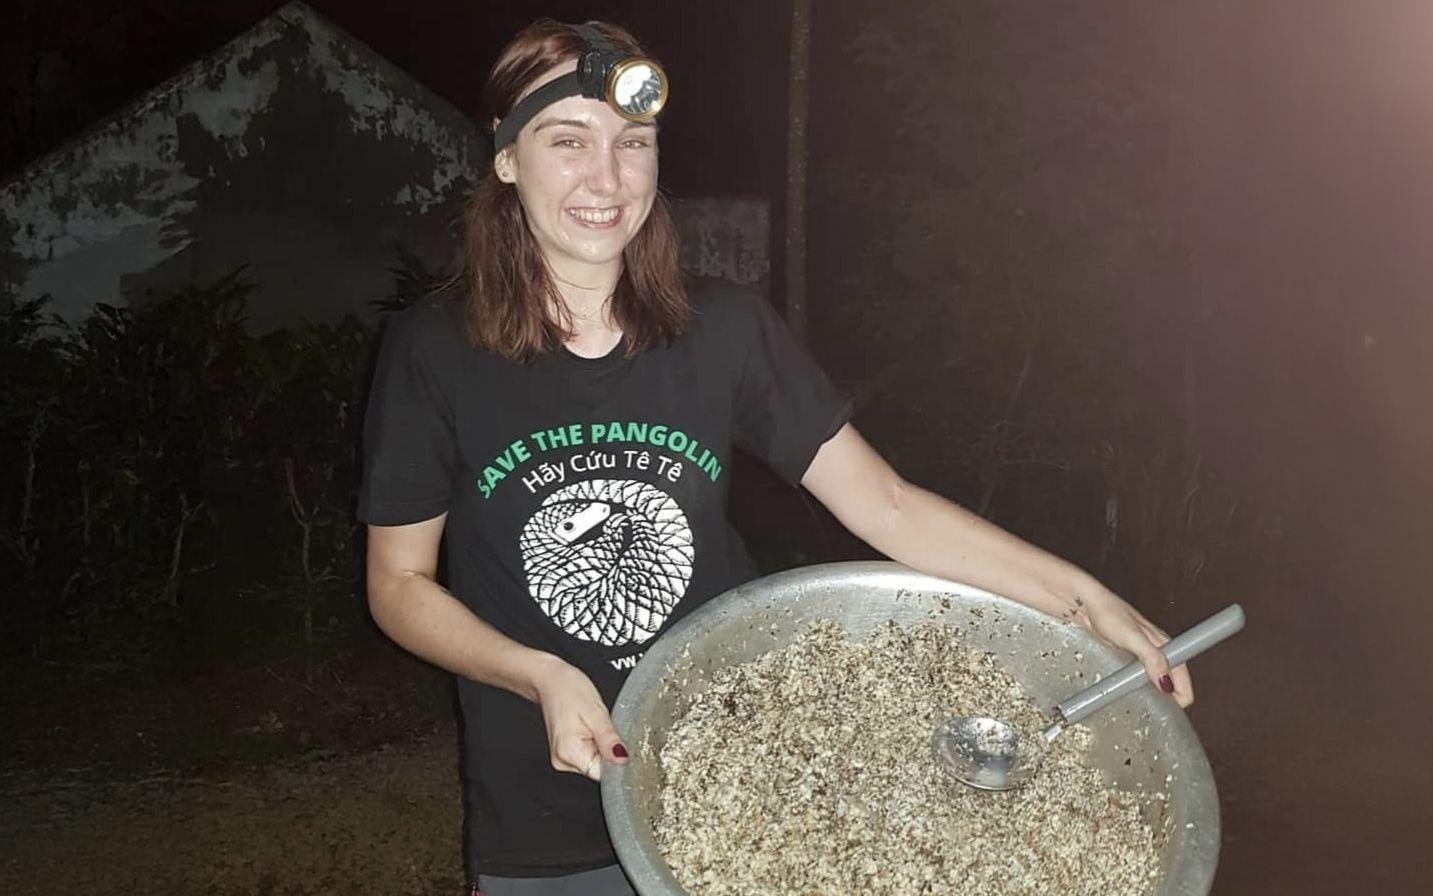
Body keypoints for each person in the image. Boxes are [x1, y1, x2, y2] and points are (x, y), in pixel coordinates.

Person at [357, 18, 1194, 896]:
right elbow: (399, 584)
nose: (606, 178)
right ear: (505, 158)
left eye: (632, 143)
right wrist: (535, 675)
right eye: (568, 141)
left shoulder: (723, 329)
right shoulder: (433, 351)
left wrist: (1080, 600)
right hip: (543, 809)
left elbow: (887, 506)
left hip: (736, 782)